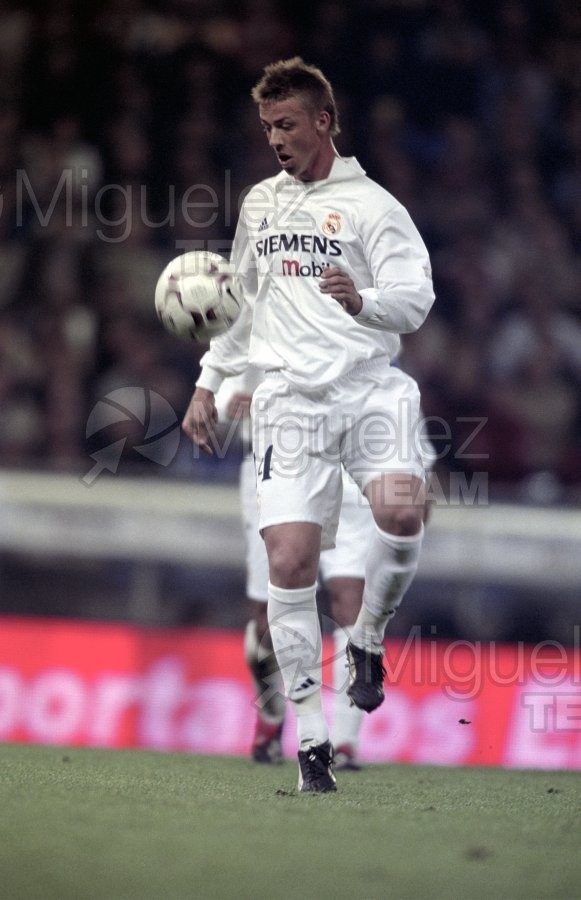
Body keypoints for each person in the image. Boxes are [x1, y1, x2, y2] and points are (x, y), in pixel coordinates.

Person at [182, 57, 435, 792]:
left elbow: (415, 299)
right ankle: (313, 744)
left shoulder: (374, 207)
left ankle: (368, 639)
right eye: (267, 127)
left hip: (369, 391)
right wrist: (208, 383)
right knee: (289, 564)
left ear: (323, 122)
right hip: (289, 405)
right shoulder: (260, 205)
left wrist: (363, 302)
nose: (275, 139)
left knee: (402, 512)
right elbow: (240, 307)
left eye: (286, 124)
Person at [214, 369, 370, 771]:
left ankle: (345, 740)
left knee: (350, 598)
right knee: (267, 617)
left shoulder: (356, 331)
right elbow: (221, 383)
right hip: (273, 463)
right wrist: (230, 402)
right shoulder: (255, 328)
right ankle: (271, 711)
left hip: (345, 462)